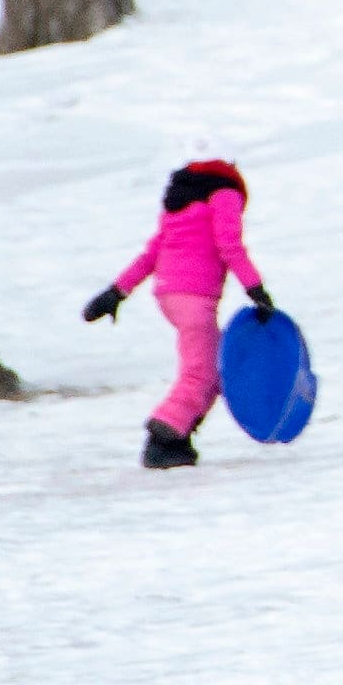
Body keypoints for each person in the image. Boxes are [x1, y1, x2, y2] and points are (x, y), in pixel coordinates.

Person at [82, 157, 275, 470]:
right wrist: (256, 290)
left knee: (212, 370)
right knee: (200, 372)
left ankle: (179, 436)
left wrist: (116, 292)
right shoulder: (225, 193)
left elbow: (153, 253)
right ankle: (162, 437)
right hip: (195, 297)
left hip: (170, 294)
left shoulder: (181, 202)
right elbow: (230, 246)